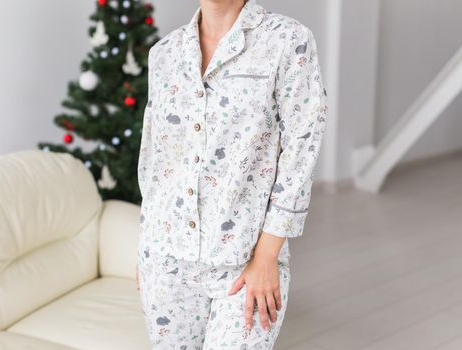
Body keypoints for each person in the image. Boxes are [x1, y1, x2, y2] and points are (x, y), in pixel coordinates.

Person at [136, 0, 328, 348]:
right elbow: (155, 161)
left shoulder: (288, 40)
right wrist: (146, 248)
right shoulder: (164, 54)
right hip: (165, 260)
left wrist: (268, 256)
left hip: (246, 261)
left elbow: (301, 149)